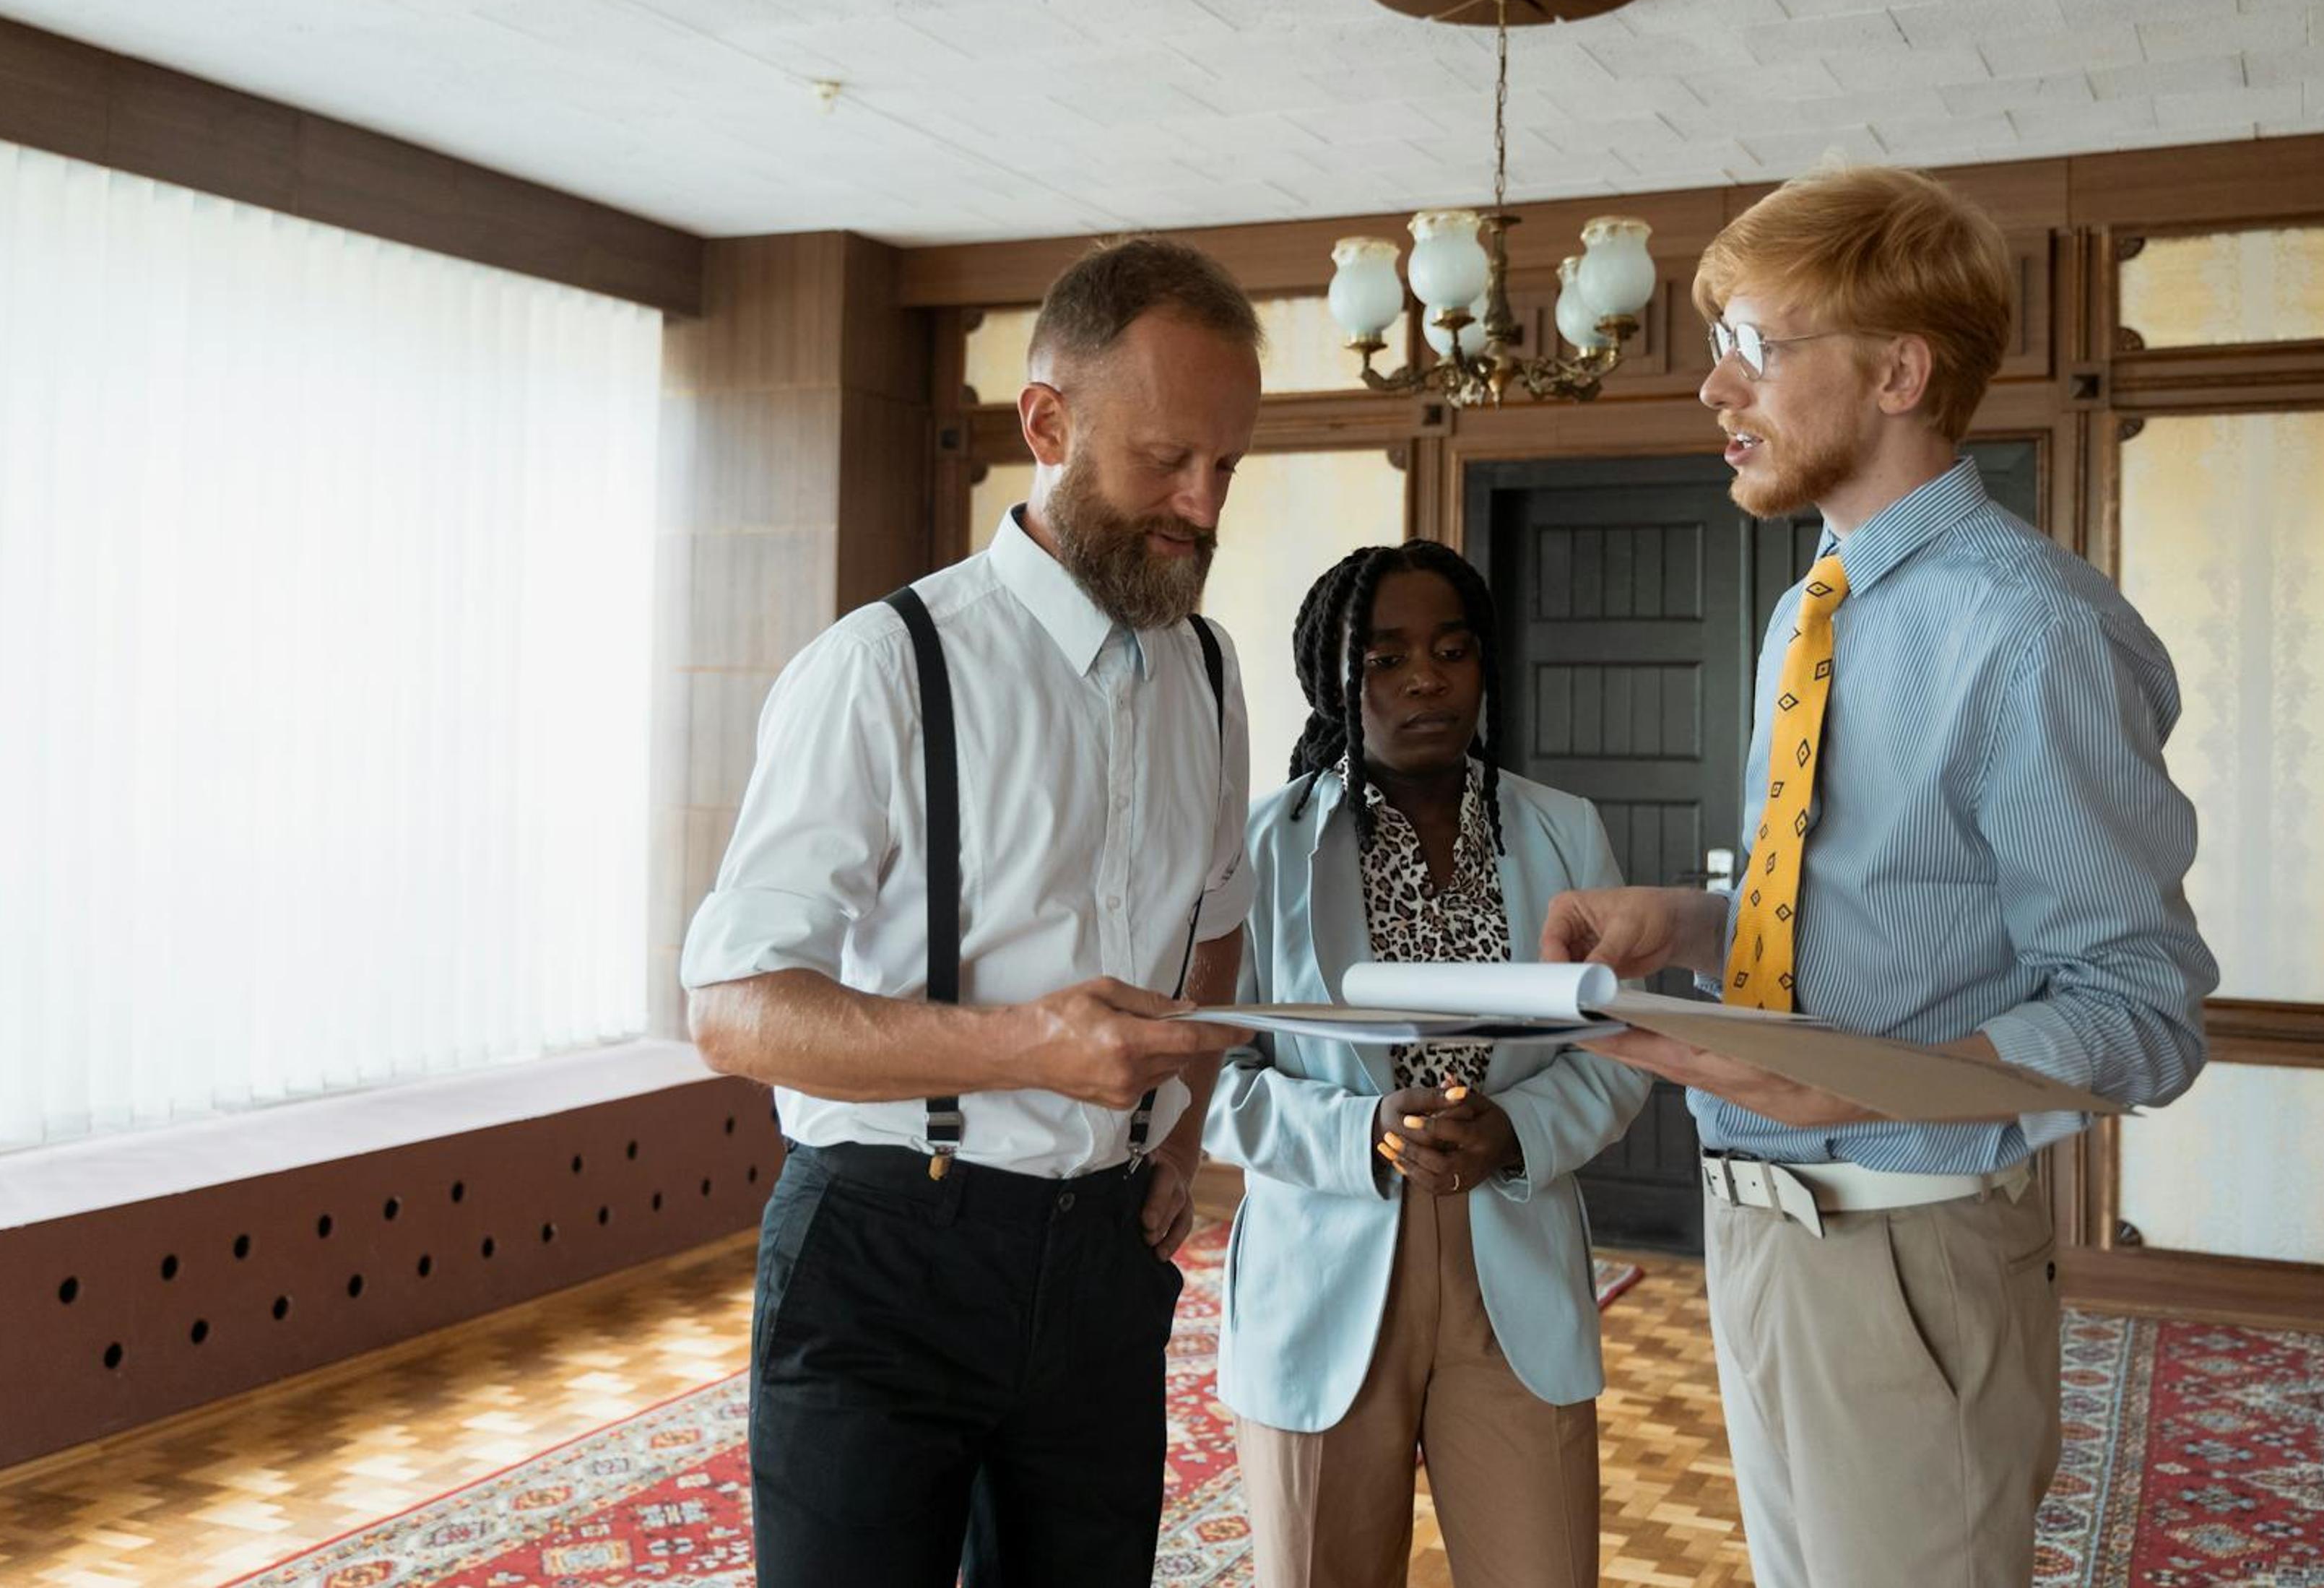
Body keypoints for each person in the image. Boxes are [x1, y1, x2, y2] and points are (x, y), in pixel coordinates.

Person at [1542, 165, 2219, 1588]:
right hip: (1763, 1235)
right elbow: (1886, 901)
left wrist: (1871, 1081)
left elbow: (2141, 1009)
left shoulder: (2031, 632)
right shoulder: (1815, 603)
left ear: (1900, 369)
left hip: (1908, 1250)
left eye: (1754, 347)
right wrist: (1685, 917)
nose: (1717, 391)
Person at [680, 236, 1265, 1588]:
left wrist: (1176, 1138)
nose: (1202, 505)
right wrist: (1026, 1049)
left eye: (1227, 467)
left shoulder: (1212, 674)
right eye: (1169, 459)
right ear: (1048, 425)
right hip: (888, 1254)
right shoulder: (884, 668)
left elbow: (1215, 916)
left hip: (1108, 1265)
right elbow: (730, 1007)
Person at [1208, 540, 1651, 1588]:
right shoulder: (1261, 851)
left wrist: (1519, 1130)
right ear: (1334, 678)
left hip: (1512, 1261)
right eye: (1386, 658)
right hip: (1325, 1268)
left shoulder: (1562, 831)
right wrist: (1358, 1132)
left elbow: (1624, 1045)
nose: (1425, 679)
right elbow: (1210, 1079)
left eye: (1453, 651)